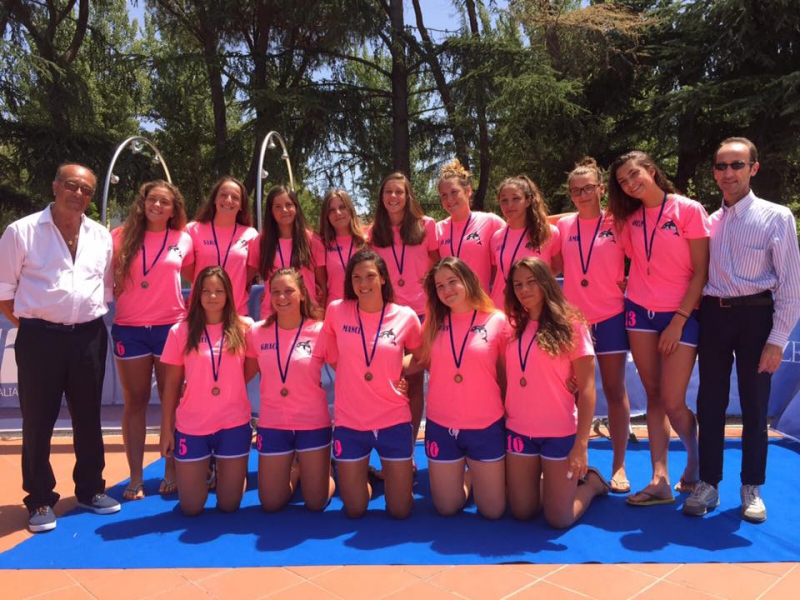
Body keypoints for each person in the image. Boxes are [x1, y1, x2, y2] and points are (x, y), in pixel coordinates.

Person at [683, 137, 800, 522]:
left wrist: (777, 340)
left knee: (754, 406)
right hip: (714, 317)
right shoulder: (707, 222)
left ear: (754, 168)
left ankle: (751, 486)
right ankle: (709, 483)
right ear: (714, 172)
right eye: (721, 166)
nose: (728, 173)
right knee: (710, 404)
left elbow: (791, 285)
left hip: (756, 318)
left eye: (737, 165)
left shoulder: (776, 216)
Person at [0, 162, 120, 533]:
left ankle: (90, 489)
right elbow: (4, 293)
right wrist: (36, 326)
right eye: (71, 185)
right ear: (55, 186)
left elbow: (104, 289)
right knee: (38, 420)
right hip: (39, 339)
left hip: (88, 336)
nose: (78, 193)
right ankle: (39, 498)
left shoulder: (101, 236)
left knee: (89, 417)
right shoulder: (20, 231)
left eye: (86, 189)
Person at [607, 150, 710, 506]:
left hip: (680, 315)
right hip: (639, 311)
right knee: (653, 395)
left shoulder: (688, 210)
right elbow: (581, 219)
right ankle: (660, 479)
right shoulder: (629, 218)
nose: (629, 184)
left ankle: (695, 461)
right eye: (622, 181)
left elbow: (701, 272)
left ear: (651, 171)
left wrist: (679, 321)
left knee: (672, 400)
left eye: (634, 174)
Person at [504, 257, 609, 528]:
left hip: (559, 432)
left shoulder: (571, 324)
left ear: (546, 283)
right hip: (519, 430)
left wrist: (581, 445)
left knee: (559, 519)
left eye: (531, 282)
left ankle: (592, 484)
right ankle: (553, 485)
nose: (524, 290)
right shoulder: (512, 325)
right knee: (522, 512)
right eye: (518, 285)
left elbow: (587, 389)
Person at [320, 249, 422, 518]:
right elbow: (330, 353)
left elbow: (421, 357)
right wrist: (353, 372)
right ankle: (364, 477)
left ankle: (395, 481)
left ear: (383, 278)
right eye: (356, 277)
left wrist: (396, 370)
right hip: (351, 420)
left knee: (400, 511)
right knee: (354, 509)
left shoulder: (405, 315)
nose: (363, 284)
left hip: (393, 418)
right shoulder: (336, 310)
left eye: (370, 276)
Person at [111, 180, 193, 500]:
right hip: (130, 328)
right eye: (152, 200)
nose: (157, 206)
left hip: (170, 328)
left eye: (165, 202)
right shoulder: (120, 236)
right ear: (143, 203)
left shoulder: (183, 238)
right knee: (136, 402)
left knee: (172, 401)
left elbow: (197, 275)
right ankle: (135, 476)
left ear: (174, 209)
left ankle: (171, 469)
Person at [557, 158, 631, 492]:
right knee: (572, 392)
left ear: (601, 189)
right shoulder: (564, 226)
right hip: (574, 322)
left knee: (614, 390)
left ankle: (619, 466)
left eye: (588, 188)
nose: (582, 195)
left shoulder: (619, 222)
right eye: (576, 191)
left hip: (610, 316)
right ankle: (571, 461)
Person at [159, 267, 251, 516]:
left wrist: (228, 385)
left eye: (219, 291)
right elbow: (171, 385)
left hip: (233, 423)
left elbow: (250, 369)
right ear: (197, 294)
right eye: (206, 291)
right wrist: (166, 429)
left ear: (228, 294)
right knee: (191, 508)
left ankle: (230, 475)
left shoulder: (245, 328)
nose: (212, 296)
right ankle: (208, 473)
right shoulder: (180, 331)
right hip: (192, 425)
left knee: (229, 505)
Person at [421, 257, 508, 519]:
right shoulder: (433, 321)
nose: (446, 290)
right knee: (446, 508)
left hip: (485, 424)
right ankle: (470, 477)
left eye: (452, 282)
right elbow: (420, 360)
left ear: (468, 280)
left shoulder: (497, 320)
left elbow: (510, 371)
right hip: (441, 424)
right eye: (440, 286)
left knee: (493, 512)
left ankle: (593, 483)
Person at [245, 268, 335, 512]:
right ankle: (297, 470)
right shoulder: (257, 331)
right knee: (270, 504)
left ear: (302, 294)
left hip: (312, 422)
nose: (281, 297)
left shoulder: (320, 330)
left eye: (288, 291)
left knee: (316, 503)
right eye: (275, 292)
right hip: (273, 422)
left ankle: (327, 471)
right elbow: (244, 374)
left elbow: (347, 370)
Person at [368, 173, 439, 442]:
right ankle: (392, 442)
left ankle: (408, 445)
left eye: (399, 191)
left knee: (416, 381)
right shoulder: (374, 232)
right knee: (392, 380)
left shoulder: (426, 225)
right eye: (388, 192)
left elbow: (437, 266)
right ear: (381, 198)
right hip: (390, 316)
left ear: (408, 196)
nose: (393, 197)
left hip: (422, 313)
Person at [185, 177, 259, 317]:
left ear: (241, 205)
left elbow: (249, 272)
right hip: (200, 312)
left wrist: (235, 281)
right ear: (214, 199)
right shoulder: (192, 230)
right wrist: (206, 282)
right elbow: (188, 269)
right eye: (223, 195)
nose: (228, 200)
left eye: (235, 197)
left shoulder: (251, 234)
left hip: (236, 313)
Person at [252, 186, 327, 317]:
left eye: (288, 204)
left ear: (296, 207)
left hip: (307, 313)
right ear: (271, 211)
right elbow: (247, 279)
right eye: (278, 206)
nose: (284, 210)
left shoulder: (312, 240)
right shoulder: (261, 241)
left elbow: (322, 285)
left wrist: (321, 311)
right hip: (272, 314)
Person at [489, 176, 562, 308]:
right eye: (504, 200)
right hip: (503, 307)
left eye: (516, 198)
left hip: (536, 308)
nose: (509, 205)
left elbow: (556, 267)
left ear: (528, 201)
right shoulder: (496, 237)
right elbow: (495, 273)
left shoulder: (549, 233)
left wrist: (534, 283)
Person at [435, 160, 504, 292]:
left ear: (468, 191)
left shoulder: (490, 222)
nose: (449, 199)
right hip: (451, 300)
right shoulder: (438, 229)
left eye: (454, 192)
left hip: (482, 300)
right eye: (444, 195)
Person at [318, 189, 366, 306]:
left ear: (350, 210)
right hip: (335, 308)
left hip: (364, 307)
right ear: (326, 216)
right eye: (332, 210)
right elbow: (321, 286)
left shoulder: (366, 240)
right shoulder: (321, 244)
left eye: (342, 207)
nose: (338, 213)